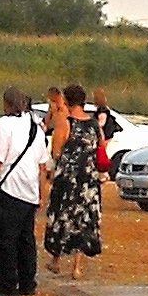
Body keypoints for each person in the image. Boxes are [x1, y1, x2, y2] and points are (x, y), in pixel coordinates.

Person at [0, 87, 48, 296]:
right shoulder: (36, 127)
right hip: (30, 191)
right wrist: (41, 194)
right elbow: (42, 165)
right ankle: (27, 282)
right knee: (26, 239)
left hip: (9, 190)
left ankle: (6, 285)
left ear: (7, 104)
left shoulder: (4, 125)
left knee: (5, 239)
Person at [43, 83, 105, 281]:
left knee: (62, 216)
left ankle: (56, 259)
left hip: (68, 179)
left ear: (67, 101)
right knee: (84, 219)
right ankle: (77, 267)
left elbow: (57, 150)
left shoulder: (66, 122)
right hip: (88, 180)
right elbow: (101, 147)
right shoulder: (94, 124)